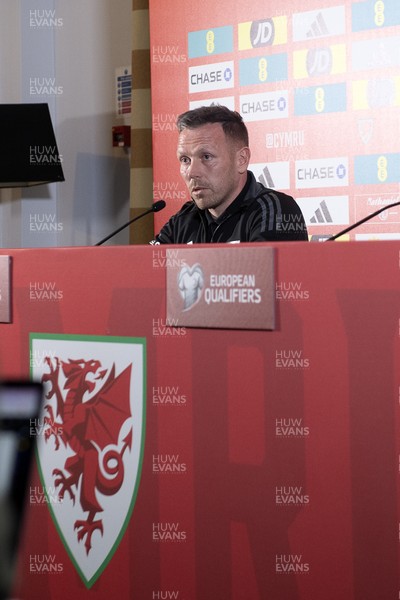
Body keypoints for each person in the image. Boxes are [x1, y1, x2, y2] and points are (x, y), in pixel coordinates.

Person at [150, 105, 308, 244]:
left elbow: (262, 276)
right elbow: (145, 271)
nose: (192, 172)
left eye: (206, 157)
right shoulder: (183, 220)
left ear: (241, 160)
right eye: (185, 160)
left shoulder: (275, 209)